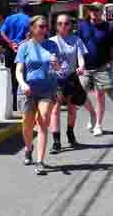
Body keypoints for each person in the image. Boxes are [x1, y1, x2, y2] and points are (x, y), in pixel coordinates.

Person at [15, 15, 59, 175]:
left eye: (46, 26)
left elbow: (58, 68)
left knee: (43, 121)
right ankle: (28, 147)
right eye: (40, 26)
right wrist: (23, 83)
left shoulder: (52, 45)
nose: (44, 29)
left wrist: (56, 64)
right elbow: (19, 70)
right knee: (27, 124)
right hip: (28, 90)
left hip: (47, 89)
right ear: (32, 29)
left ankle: (40, 161)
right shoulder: (24, 47)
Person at [77, 2, 113, 136]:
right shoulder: (82, 26)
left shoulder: (108, 27)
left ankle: (98, 124)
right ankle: (92, 113)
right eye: (91, 9)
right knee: (79, 94)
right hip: (84, 67)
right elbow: (76, 44)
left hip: (102, 66)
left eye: (96, 10)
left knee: (100, 96)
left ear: (102, 11)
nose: (94, 12)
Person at [49, 14, 88, 153]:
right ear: (56, 25)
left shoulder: (76, 40)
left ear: (70, 25)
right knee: (55, 109)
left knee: (72, 107)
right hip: (56, 79)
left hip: (71, 77)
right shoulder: (51, 41)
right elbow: (49, 60)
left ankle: (70, 132)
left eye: (65, 23)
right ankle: (56, 140)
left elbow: (81, 57)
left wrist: (81, 66)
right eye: (59, 23)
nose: (63, 26)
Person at [1, 2, 31, 111]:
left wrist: (10, 43)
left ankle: (11, 102)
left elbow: (2, 33)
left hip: (9, 50)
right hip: (22, 50)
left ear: (18, 9)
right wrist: (19, 44)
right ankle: (21, 103)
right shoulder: (29, 20)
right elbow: (30, 36)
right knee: (21, 76)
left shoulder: (9, 18)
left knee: (10, 76)